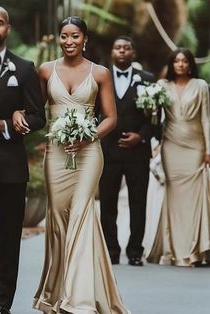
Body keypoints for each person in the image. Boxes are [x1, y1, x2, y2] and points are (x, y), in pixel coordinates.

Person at [13, 16, 130, 314]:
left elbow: (111, 119)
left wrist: (89, 135)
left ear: (85, 39)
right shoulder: (45, 70)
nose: (68, 42)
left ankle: (79, 300)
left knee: (81, 214)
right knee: (57, 219)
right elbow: (35, 110)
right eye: (64, 36)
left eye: (75, 36)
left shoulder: (100, 73)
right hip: (56, 153)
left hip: (89, 154)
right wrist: (17, 112)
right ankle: (57, 291)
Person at [0, 5, 46, 314]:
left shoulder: (25, 68)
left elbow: (38, 116)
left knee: (9, 237)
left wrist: (5, 125)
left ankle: (3, 302)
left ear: (8, 28)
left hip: (11, 164)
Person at [146, 48, 210, 267]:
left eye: (184, 61)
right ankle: (174, 249)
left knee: (195, 200)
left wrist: (208, 149)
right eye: (177, 61)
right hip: (171, 146)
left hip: (195, 146)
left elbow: (206, 120)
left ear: (190, 64)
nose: (180, 65)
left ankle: (195, 250)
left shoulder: (201, 86)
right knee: (174, 198)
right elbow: (153, 116)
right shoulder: (162, 87)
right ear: (172, 65)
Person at [99, 35, 155, 266]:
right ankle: (111, 250)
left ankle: (135, 251)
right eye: (118, 47)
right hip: (108, 151)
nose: (122, 51)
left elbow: (156, 116)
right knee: (108, 204)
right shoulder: (101, 78)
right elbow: (94, 112)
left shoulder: (148, 80)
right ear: (112, 52)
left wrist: (140, 136)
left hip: (137, 153)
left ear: (133, 52)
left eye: (126, 48)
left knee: (138, 203)